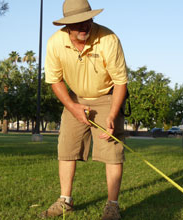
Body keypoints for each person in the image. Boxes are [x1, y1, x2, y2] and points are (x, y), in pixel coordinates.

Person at [40, 0, 127, 219]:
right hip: (74, 99)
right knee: (66, 149)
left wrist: (113, 115)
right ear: (67, 25)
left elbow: (120, 82)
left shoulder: (109, 39)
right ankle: (65, 201)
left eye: (87, 21)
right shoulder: (55, 43)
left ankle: (112, 205)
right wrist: (73, 107)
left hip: (107, 96)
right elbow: (54, 80)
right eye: (77, 24)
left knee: (112, 152)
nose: (84, 27)